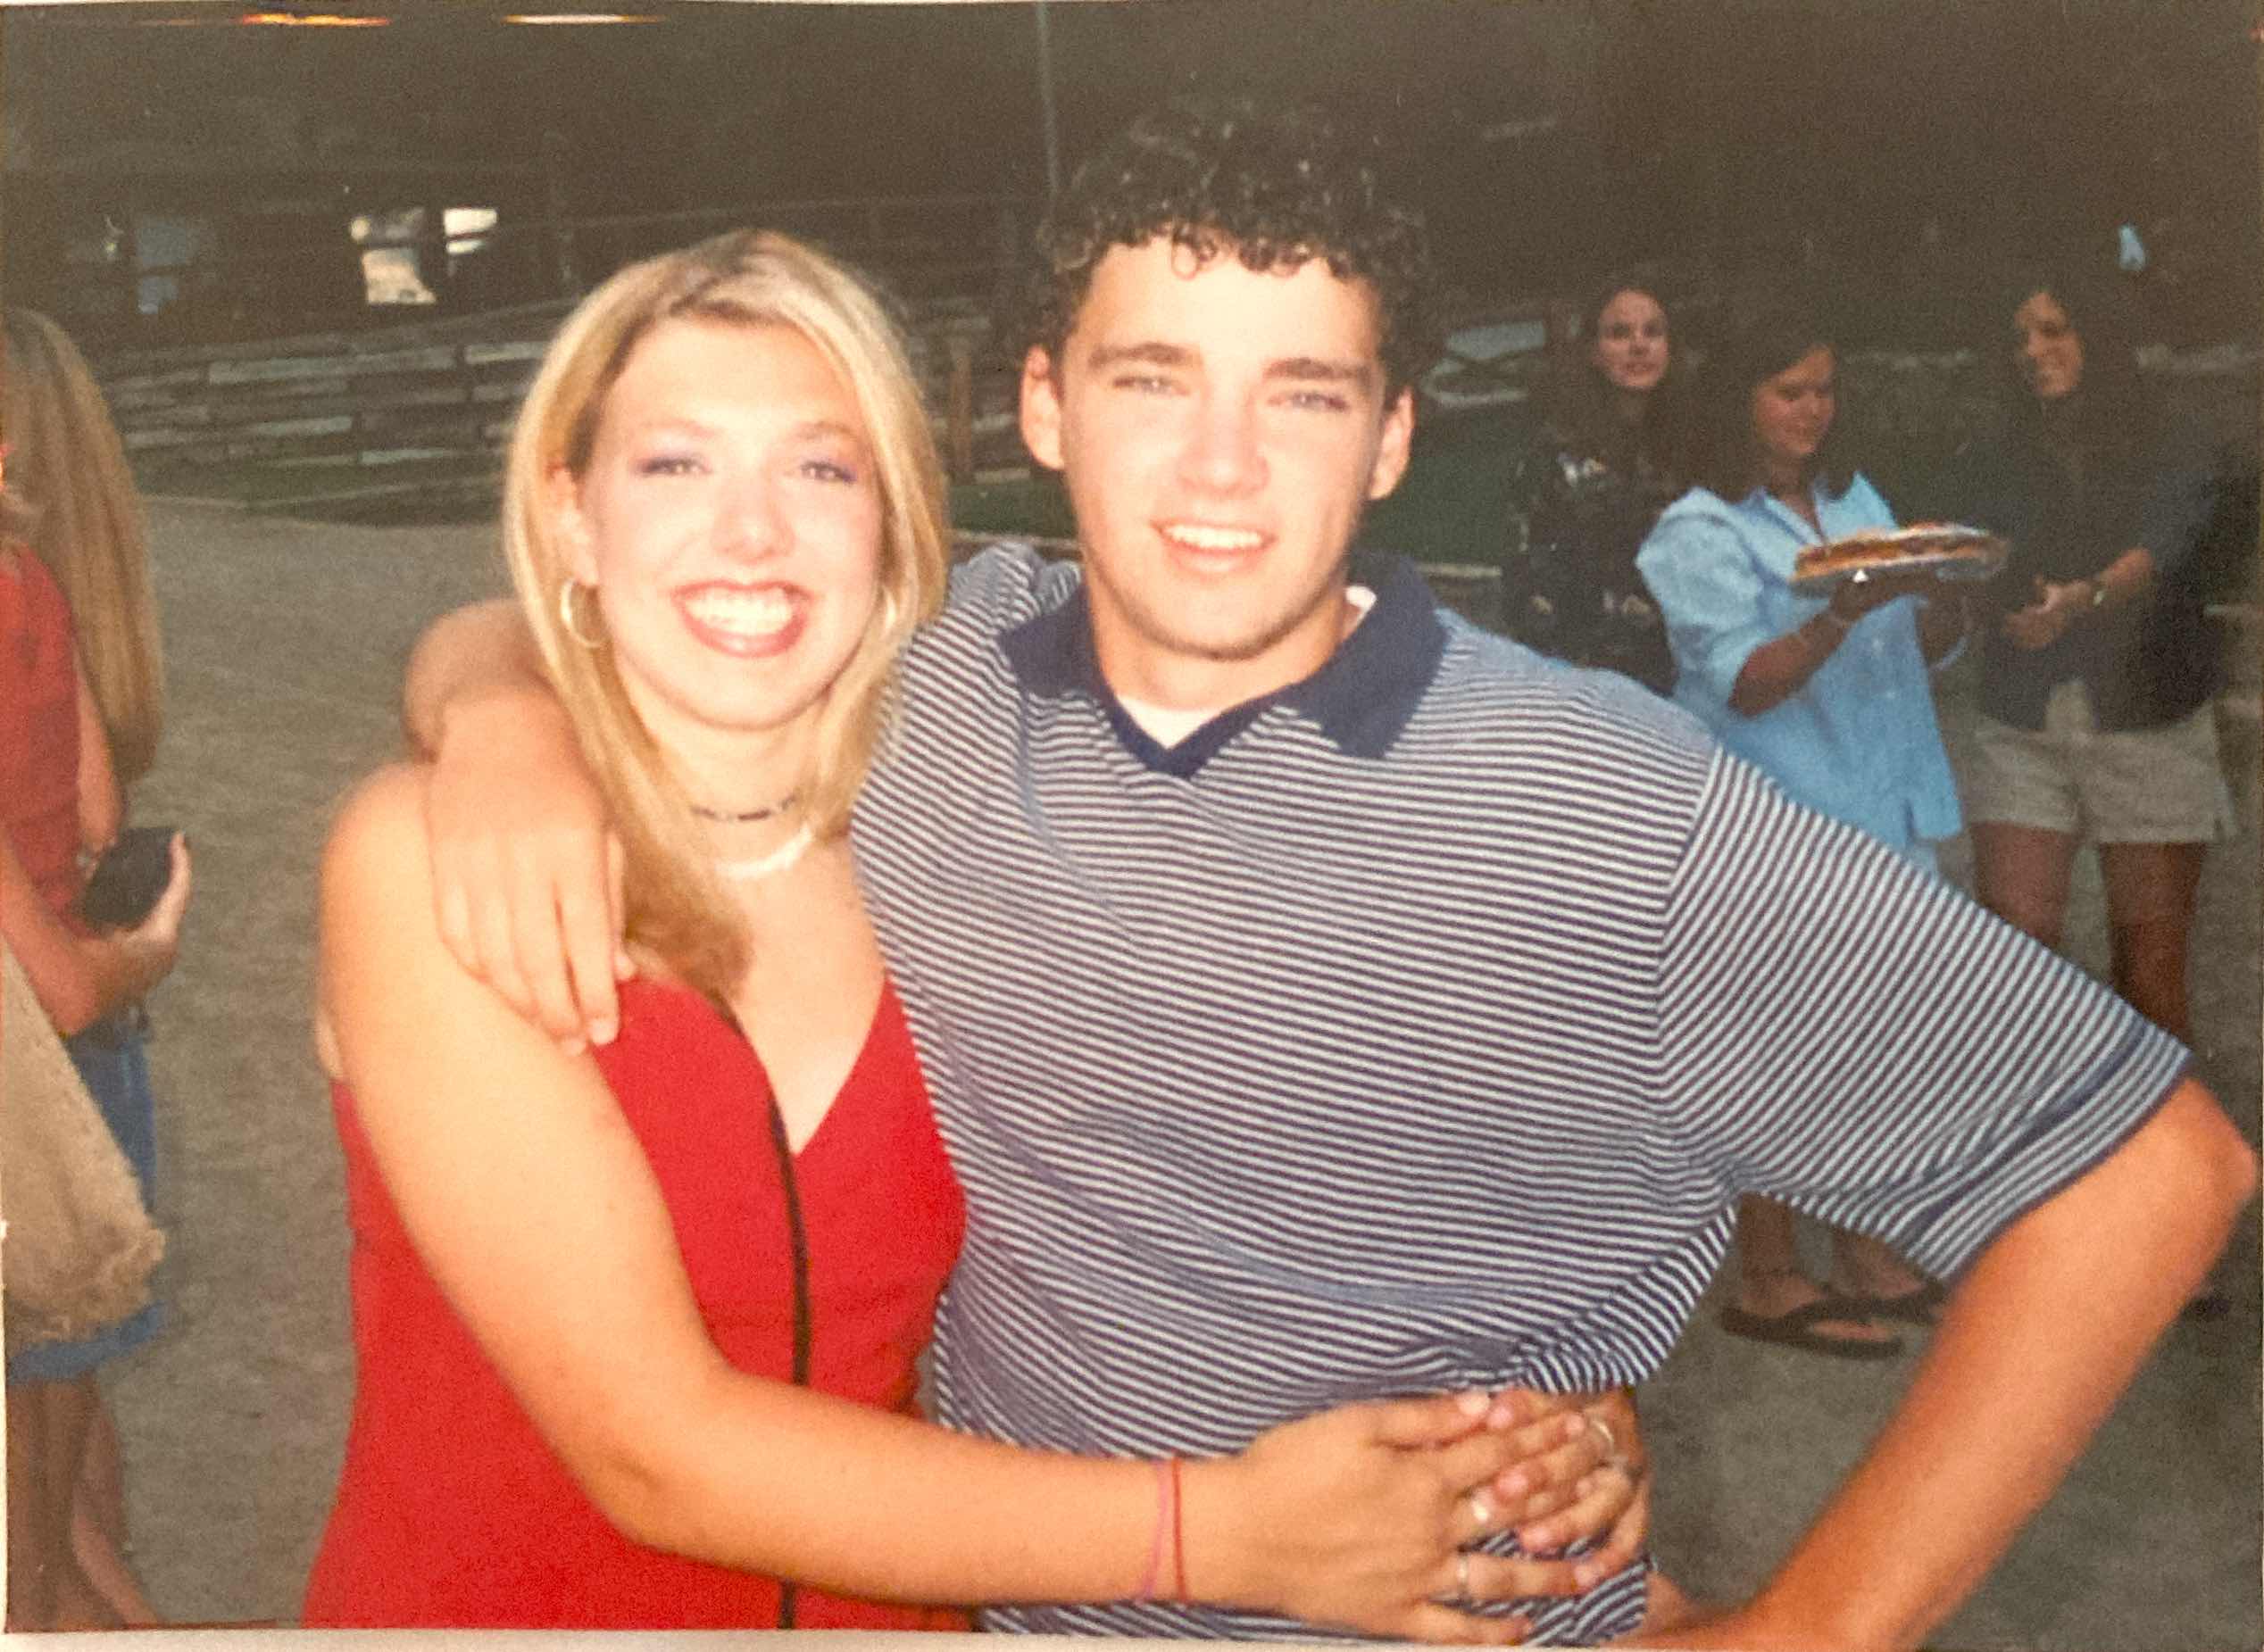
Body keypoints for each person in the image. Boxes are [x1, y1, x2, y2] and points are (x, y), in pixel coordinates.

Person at [405, 100, 2254, 1649]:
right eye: (1152, 379)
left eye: (1300, 396)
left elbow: (2141, 1177)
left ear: (1390, 437)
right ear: (1044, 405)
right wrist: (497, 717)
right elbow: (618, 605)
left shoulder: (1596, 803)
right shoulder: (936, 666)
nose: (1220, 466)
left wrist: (1809, 1629)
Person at [305, 227, 1643, 1635]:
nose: (752, 531)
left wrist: (1529, 1388)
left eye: (822, 470)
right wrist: (1226, 1531)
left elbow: (1234, 1145)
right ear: (574, 516)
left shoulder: (951, 826)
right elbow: (655, 1448)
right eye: (677, 465)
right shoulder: (429, 863)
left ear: (893, 522)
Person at [1635, 303, 1973, 1360]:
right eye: (1789, 391)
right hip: (1778, 823)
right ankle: (1770, 1274)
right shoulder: (1697, 529)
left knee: (1877, 1047)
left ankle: (1865, 1250)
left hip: (1885, 808)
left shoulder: (1854, 501)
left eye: (1824, 389)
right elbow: (1741, 681)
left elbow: (1913, 650)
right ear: (1739, 400)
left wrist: (1944, 598)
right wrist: (1838, 611)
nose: (1813, 410)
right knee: (1774, 1057)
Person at [2, 308, 194, 1630]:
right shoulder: (36, 581)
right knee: (61, 1430)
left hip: (30, 1045)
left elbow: (66, 986)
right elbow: (98, 813)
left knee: (23, 1550)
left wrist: (132, 957)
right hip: (78, 1042)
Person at [1939, 270, 2233, 1053]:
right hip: (2023, 718)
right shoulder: (1994, 450)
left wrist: (2085, 597)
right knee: (2017, 951)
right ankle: (2035, 1125)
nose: (2033, 351)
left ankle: (2160, 1127)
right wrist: (1994, 597)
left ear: (2099, 334)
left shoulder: (2172, 435)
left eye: (2054, 330)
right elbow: (1970, 554)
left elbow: (2167, 543)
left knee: (2148, 967)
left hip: (2148, 715)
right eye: (2020, 337)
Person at [1504, 280, 1683, 691]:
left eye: (1653, 332)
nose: (1639, 346)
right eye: (1620, 334)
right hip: (1593, 674)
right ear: (1593, 352)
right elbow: (1528, 588)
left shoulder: (1695, 443)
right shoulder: (1553, 456)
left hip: (1689, 667)